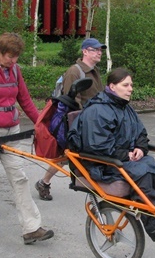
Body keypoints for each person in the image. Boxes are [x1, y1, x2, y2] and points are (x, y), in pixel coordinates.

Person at [68, 68, 155, 240]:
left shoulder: (125, 108)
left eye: (131, 85)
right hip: (103, 164)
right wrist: (126, 155)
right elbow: (96, 146)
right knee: (143, 173)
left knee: (152, 166)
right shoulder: (97, 110)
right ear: (112, 86)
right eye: (125, 85)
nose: (130, 89)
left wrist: (140, 148)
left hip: (121, 159)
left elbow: (141, 133)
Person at [0, 32, 54, 244]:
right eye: (10, 56)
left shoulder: (15, 71)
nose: (13, 61)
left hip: (12, 133)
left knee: (20, 178)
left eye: (16, 57)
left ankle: (31, 228)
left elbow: (25, 100)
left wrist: (40, 124)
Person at [35, 37, 105, 201]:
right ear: (85, 51)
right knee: (69, 155)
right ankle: (45, 183)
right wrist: (84, 121)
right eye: (95, 50)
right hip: (79, 123)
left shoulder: (94, 71)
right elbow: (71, 100)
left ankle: (44, 182)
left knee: (70, 156)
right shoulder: (74, 72)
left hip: (93, 121)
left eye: (100, 50)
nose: (99, 52)